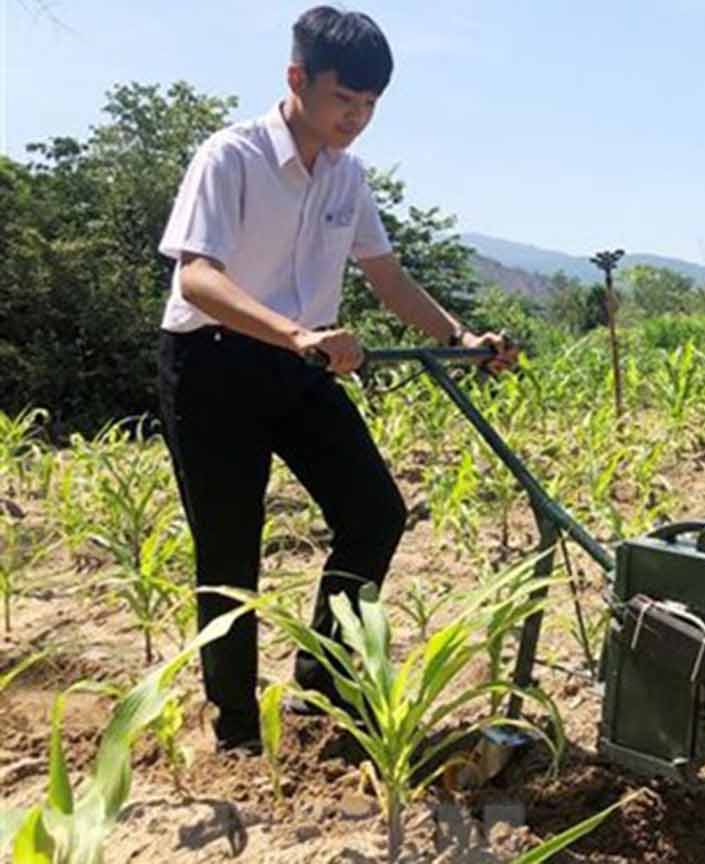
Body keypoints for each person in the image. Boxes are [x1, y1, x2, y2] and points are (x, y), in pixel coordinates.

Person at [155, 5, 518, 753]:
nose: (356, 119)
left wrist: (460, 337)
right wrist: (296, 332)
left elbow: (386, 278)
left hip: (301, 368)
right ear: (297, 80)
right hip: (213, 366)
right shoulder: (232, 157)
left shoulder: (348, 177)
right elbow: (196, 278)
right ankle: (236, 728)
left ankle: (322, 680)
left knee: (375, 513)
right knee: (229, 548)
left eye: (369, 106)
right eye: (343, 100)